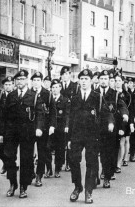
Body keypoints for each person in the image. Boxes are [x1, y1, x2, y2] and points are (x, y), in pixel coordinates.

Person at [68, 69, 114, 204]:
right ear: (79, 81)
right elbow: (70, 119)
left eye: (86, 79)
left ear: (91, 81)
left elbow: (107, 113)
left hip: (92, 136)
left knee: (91, 163)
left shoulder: (97, 97)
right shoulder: (75, 98)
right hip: (76, 135)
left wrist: (111, 122)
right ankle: (77, 187)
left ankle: (88, 191)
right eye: (81, 79)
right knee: (73, 160)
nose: (83, 82)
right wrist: (69, 138)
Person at [0, 70, 44, 198]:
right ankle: (13, 184)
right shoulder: (11, 96)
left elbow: (40, 114)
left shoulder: (34, 96)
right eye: (18, 79)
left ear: (27, 81)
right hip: (11, 132)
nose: (20, 82)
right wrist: (1, 133)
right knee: (9, 158)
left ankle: (24, 186)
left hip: (27, 132)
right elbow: (4, 115)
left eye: (23, 79)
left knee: (26, 160)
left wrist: (39, 128)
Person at [97, 70, 128, 188]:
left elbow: (122, 106)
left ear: (110, 82)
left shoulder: (115, 94)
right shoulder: (94, 93)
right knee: (96, 153)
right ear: (99, 80)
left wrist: (125, 115)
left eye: (106, 79)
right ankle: (97, 174)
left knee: (108, 153)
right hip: (96, 128)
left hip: (110, 129)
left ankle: (107, 176)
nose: (104, 81)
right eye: (102, 79)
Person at [31, 72, 56, 185]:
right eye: (34, 80)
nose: (36, 82)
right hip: (30, 126)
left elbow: (52, 112)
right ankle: (30, 172)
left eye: (38, 80)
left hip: (44, 127)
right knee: (28, 152)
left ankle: (39, 175)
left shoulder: (47, 94)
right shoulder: (29, 93)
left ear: (41, 81)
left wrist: (52, 126)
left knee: (42, 152)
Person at [50, 79, 70, 178]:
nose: (55, 89)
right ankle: (49, 168)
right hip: (50, 127)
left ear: (60, 88)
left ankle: (57, 168)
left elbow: (67, 114)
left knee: (60, 148)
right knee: (47, 147)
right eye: (53, 87)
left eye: (57, 87)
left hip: (60, 127)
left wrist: (66, 126)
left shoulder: (65, 100)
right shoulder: (49, 99)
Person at [115, 74, 133, 173]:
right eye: (115, 80)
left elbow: (129, 110)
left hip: (123, 121)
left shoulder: (127, 95)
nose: (117, 82)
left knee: (122, 142)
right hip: (114, 121)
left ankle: (118, 164)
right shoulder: (112, 93)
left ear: (122, 82)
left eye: (119, 80)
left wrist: (130, 123)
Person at [0, 76, 14, 175]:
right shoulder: (0, 96)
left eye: (10, 84)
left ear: (13, 85)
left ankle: (10, 166)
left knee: (10, 149)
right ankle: (5, 163)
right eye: (6, 85)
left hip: (12, 126)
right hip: (1, 125)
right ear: (3, 86)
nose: (8, 86)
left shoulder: (16, 95)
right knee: (0, 149)